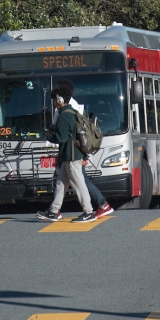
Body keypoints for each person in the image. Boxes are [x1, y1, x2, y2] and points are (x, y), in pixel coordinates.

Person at [36, 80, 96, 223]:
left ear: (60, 99)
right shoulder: (72, 112)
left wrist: (48, 135)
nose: (54, 102)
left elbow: (61, 138)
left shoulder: (63, 115)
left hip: (71, 156)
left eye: (55, 99)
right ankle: (53, 211)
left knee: (79, 184)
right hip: (69, 155)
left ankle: (89, 212)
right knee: (61, 184)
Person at [63, 95, 113, 219]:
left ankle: (99, 206)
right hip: (71, 151)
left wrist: (85, 155)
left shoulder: (70, 108)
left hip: (74, 151)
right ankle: (54, 209)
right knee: (65, 180)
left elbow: (80, 132)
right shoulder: (69, 106)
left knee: (82, 180)